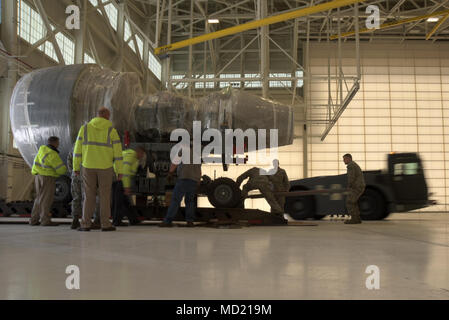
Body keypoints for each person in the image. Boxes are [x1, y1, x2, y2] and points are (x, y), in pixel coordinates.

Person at [73, 107, 124, 232]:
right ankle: (105, 224)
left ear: (97, 115)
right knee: (105, 196)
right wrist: (119, 170)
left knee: (88, 196)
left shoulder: (84, 128)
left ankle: (85, 224)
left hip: (87, 166)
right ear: (107, 116)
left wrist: (76, 166)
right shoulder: (111, 130)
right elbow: (118, 153)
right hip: (105, 167)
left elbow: (77, 150)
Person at [30, 136, 67, 226]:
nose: (58, 144)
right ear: (55, 143)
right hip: (47, 178)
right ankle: (45, 220)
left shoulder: (41, 150)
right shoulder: (52, 154)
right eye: (58, 143)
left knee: (39, 198)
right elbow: (61, 169)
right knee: (46, 199)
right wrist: (66, 170)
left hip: (38, 176)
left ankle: (33, 220)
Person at [159, 156, 202, 228]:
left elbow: (175, 163)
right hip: (193, 181)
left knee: (175, 200)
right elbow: (199, 169)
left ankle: (167, 221)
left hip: (183, 178)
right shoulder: (197, 155)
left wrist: (170, 173)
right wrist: (198, 179)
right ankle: (190, 221)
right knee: (190, 201)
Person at [112, 146, 146, 226]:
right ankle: (117, 221)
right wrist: (126, 186)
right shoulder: (131, 156)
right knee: (119, 202)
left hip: (118, 179)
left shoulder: (131, 156)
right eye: (142, 154)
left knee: (125, 202)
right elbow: (125, 172)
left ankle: (134, 220)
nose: (142, 157)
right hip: (119, 180)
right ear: (139, 152)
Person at [67, 151, 100, 230]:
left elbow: (69, 162)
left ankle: (75, 220)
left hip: (75, 176)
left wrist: (74, 172)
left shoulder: (74, 147)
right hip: (86, 176)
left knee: (76, 198)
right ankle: (89, 221)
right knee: (88, 198)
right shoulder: (89, 146)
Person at [343, 153, 365, 224]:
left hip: (356, 186)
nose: (343, 161)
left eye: (344, 159)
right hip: (359, 185)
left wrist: (349, 186)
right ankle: (357, 219)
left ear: (349, 158)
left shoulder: (351, 165)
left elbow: (351, 177)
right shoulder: (354, 164)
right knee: (353, 202)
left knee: (349, 202)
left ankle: (354, 219)